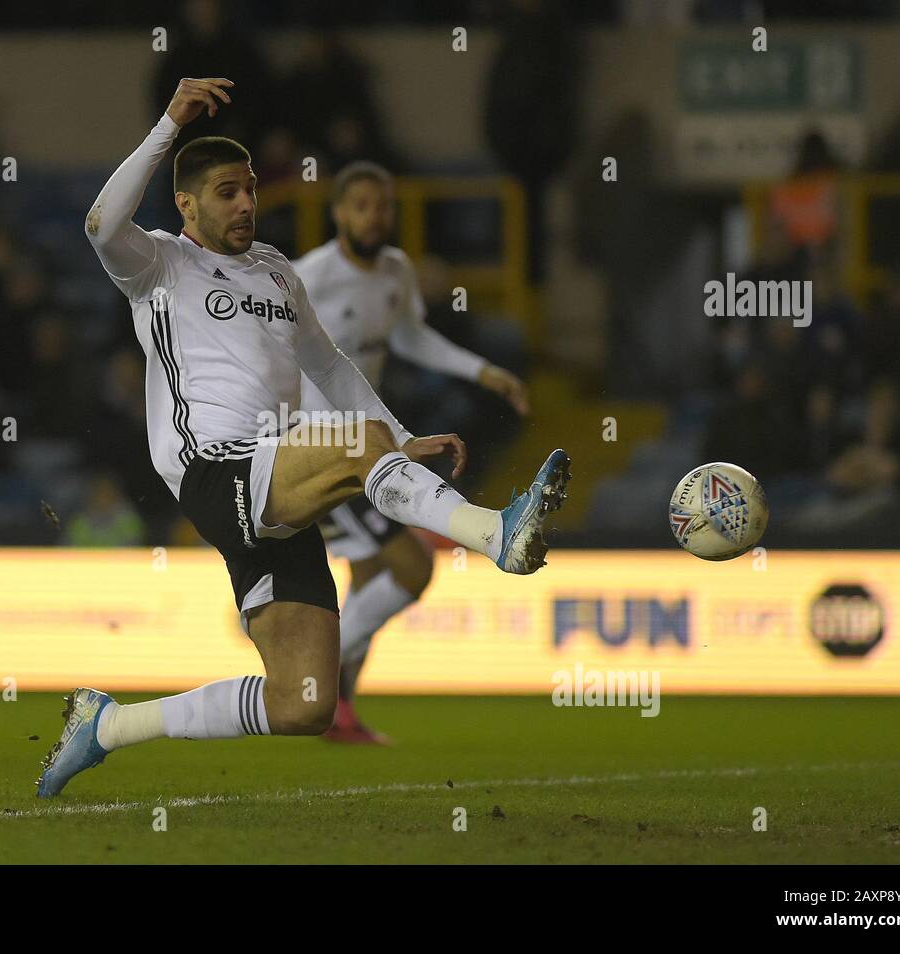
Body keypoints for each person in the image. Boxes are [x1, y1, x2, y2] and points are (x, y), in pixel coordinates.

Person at [36, 79, 570, 798]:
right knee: (356, 445)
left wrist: (400, 437)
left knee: (304, 703)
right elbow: (101, 223)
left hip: (276, 486)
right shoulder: (159, 264)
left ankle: (107, 727)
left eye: (252, 188)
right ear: (187, 203)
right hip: (216, 472)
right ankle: (493, 533)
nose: (247, 203)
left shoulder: (278, 272)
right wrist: (169, 123)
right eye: (227, 191)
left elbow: (329, 364)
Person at [294, 161, 529, 743]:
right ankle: (305, 675)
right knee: (412, 567)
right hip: (325, 450)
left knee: (370, 577)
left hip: (367, 443)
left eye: (385, 206)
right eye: (363, 206)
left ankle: (334, 712)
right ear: (339, 213)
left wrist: (482, 371)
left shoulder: (396, 270)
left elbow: (409, 336)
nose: (375, 217)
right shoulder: (309, 277)